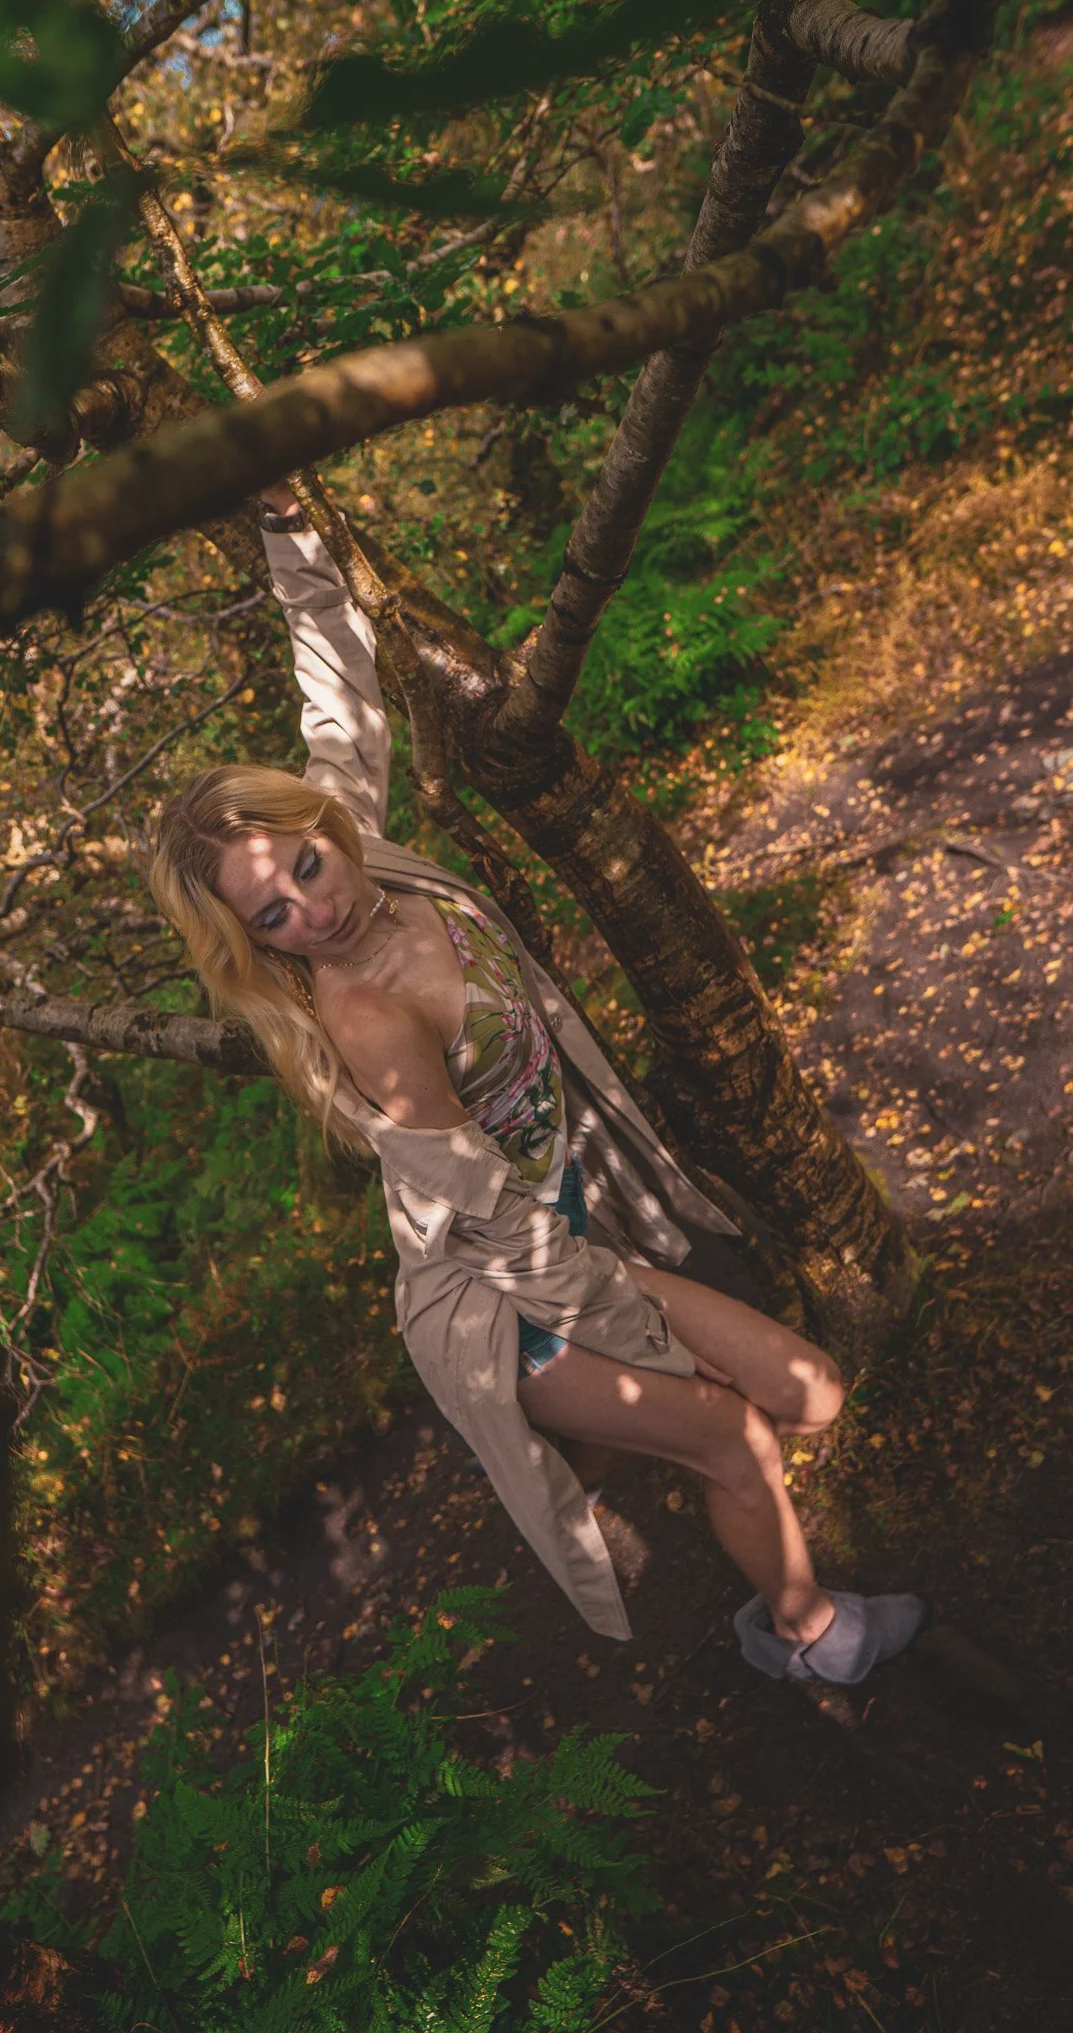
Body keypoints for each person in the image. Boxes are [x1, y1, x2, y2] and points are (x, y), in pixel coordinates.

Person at [148, 486, 927, 1686]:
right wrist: (652, 1345)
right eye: (275, 913)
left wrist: (284, 524)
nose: (315, 903)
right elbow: (500, 1233)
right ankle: (806, 1641)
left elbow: (341, 701)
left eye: (305, 862)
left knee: (813, 1394)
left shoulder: (362, 846)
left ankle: (633, 1458)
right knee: (742, 1436)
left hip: (569, 1219)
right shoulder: (369, 1023)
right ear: (258, 941)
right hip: (514, 1297)